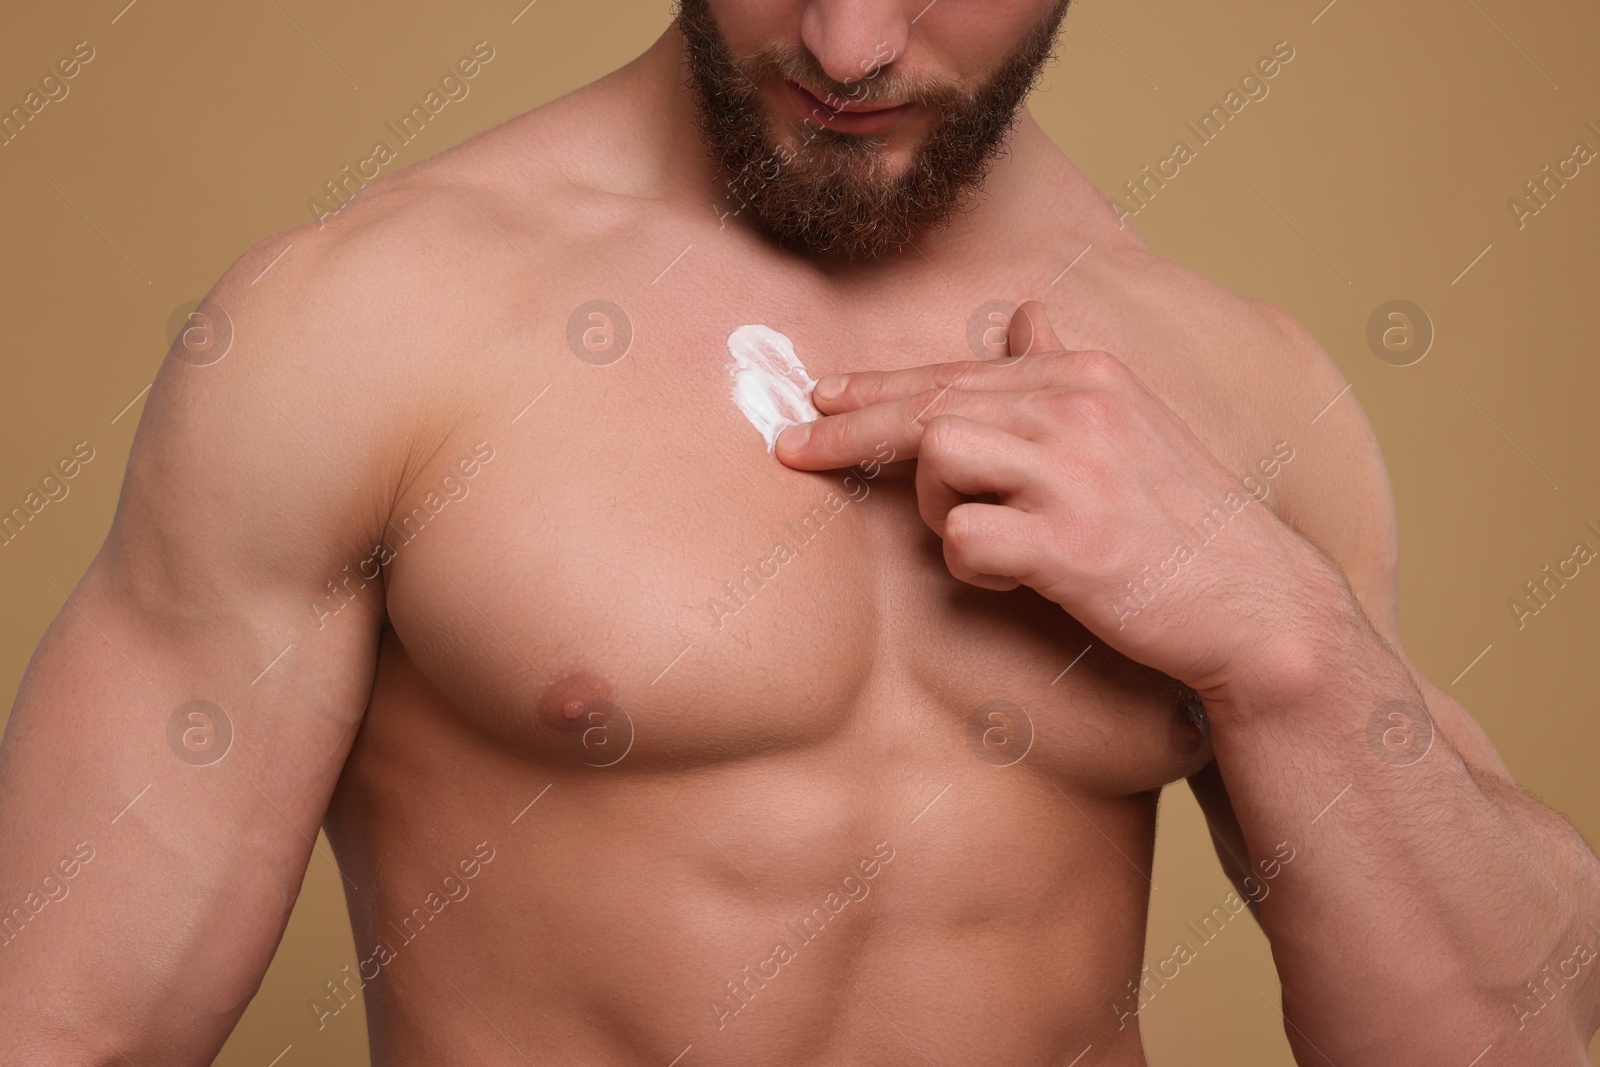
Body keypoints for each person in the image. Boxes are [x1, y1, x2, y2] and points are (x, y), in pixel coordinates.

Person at [2, 1, 1597, 1064]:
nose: (846, 39)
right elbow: (65, 1026)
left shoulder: (1241, 385)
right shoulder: (365, 326)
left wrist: (1285, 641)